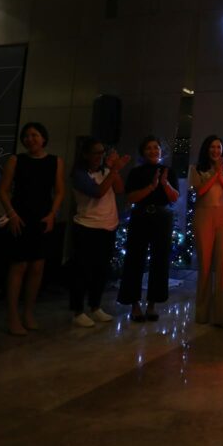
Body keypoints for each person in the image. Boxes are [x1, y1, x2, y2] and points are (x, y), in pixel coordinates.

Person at [0, 122, 64, 335]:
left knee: (37, 266)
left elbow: (59, 191)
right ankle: (12, 316)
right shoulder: (16, 160)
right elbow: (3, 190)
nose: (30, 139)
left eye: (34, 135)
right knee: (19, 265)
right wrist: (11, 214)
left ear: (43, 138)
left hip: (43, 217)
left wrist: (53, 214)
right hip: (20, 216)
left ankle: (28, 312)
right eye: (26, 136)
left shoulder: (56, 161)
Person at [69, 137, 130, 327]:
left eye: (102, 152)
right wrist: (115, 169)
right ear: (85, 154)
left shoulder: (106, 171)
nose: (100, 156)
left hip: (108, 226)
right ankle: (78, 311)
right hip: (86, 227)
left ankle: (95, 306)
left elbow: (119, 189)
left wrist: (112, 170)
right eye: (96, 152)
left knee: (101, 270)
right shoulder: (79, 174)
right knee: (82, 271)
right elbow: (98, 192)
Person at [118, 136, 179, 322]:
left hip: (162, 217)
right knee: (135, 259)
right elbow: (131, 198)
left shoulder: (168, 171)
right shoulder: (136, 172)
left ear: (161, 151)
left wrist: (164, 184)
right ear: (143, 152)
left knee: (160, 260)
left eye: (156, 147)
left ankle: (152, 304)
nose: (153, 151)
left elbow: (174, 197)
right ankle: (134, 304)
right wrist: (151, 187)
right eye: (149, 148)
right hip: (141, 216)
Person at [188, 134, 223, 326]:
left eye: (218, 147)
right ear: (206, 149)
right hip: (203, 215)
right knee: (205, 263)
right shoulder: (196, 169)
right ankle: (202, 313)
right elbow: (200, 191)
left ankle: (222, 315)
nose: (215, 150)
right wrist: (215, 174)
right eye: (212, 147)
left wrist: (221, 174)